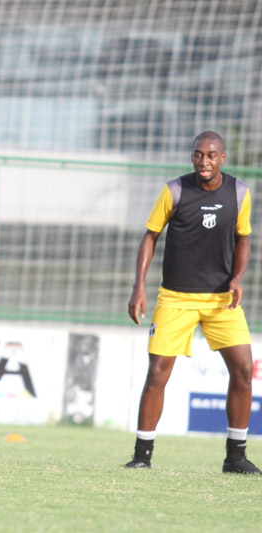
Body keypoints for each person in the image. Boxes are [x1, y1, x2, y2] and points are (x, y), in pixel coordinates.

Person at [126, 131, 258, 473]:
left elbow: (243, 239)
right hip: (175, 298)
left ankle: (236, 457)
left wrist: (237, 278)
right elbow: (150, 236)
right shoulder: (175, 190)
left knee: (244, 370)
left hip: (221, 301)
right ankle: (142, 456)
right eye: (198, 155)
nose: (204, 161)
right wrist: (138, 287)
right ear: (192, 157)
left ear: (222, 158)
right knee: (157, 373)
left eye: (211, 155)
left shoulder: (240, 193)